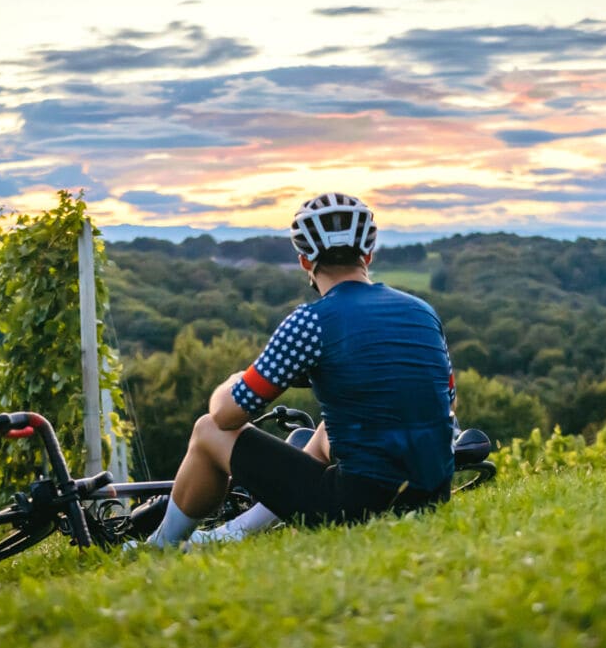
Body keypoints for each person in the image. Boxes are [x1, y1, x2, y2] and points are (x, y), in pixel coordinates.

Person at [144, 192, 457, 549]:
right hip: (431, 497)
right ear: (368, 255)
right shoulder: (422, 312)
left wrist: (230, 383)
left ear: (305, 262)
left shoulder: (310, 322)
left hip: (356, 506)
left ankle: (160, 546)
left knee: (207, 430)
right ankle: (237, 530)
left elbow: (227, 416)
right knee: (328, 429)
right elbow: (445, 404)